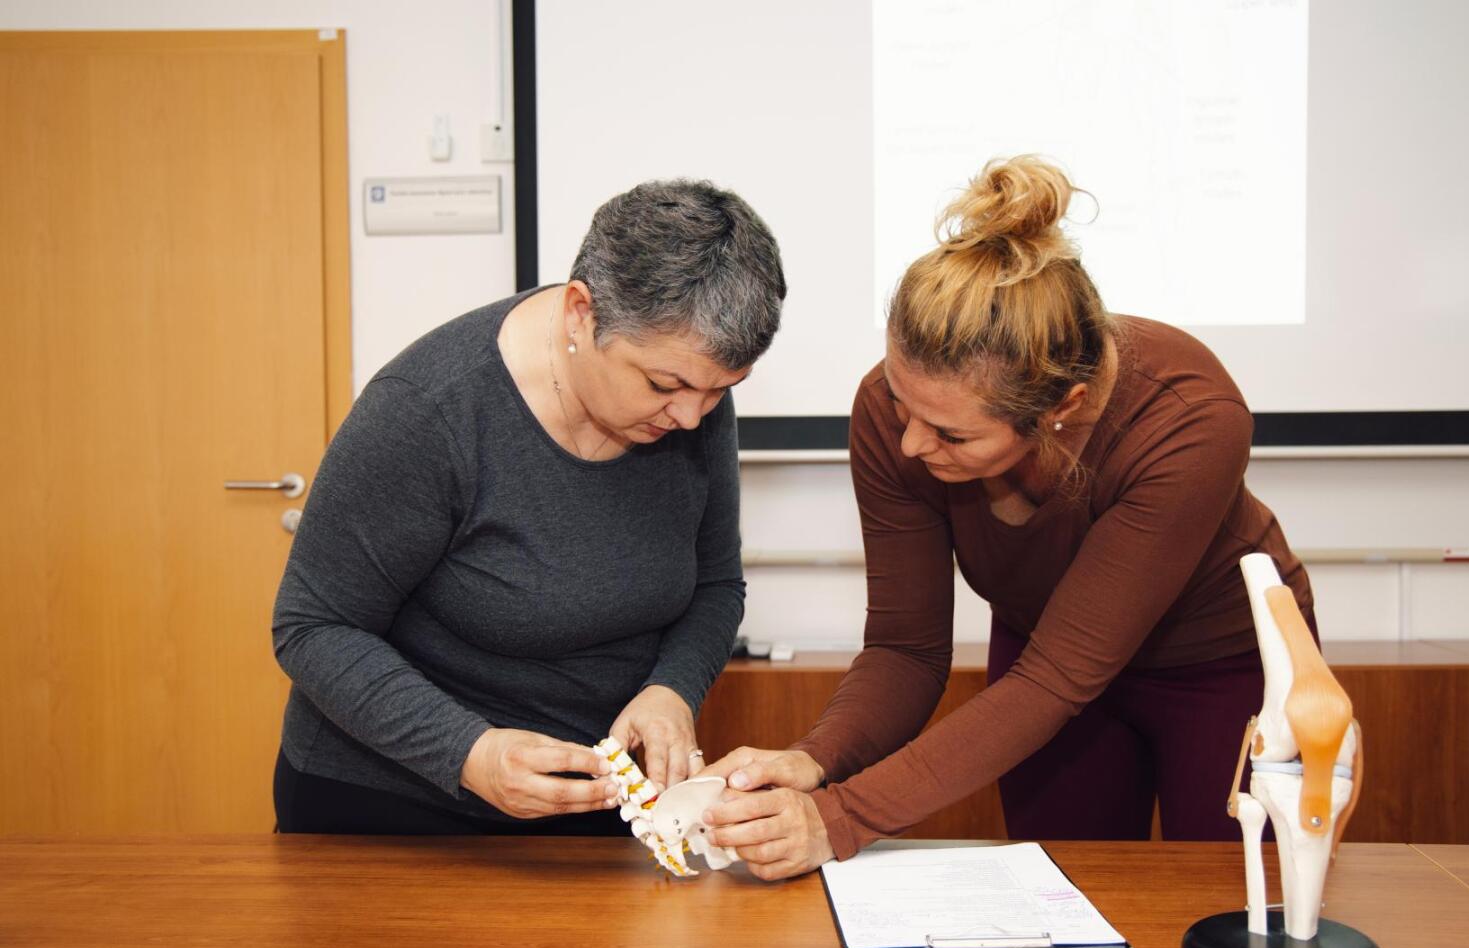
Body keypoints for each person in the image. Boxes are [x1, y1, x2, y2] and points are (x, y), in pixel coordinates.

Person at [701, 156, 1311, 878]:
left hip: (1219, 663)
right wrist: (814, 761)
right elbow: (905, 649)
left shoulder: (1188, 419)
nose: (910, 443)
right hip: (1041, 663)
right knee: (1061, 892)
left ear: (1062, 409)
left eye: (951, 435)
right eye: (900, 400)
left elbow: (1057, 678)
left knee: (1228, 900)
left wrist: (839, 819)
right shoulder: (900, 413)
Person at [271, 178, 787, 835]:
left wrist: (672, 689)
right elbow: (312, 625)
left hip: (589, 798)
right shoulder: (429, 410)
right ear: (580, 313)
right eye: (665, 385)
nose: (691, 416)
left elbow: (715, 585)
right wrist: (469, 751)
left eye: (719, 390)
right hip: (393, 805)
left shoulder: (692, 391)